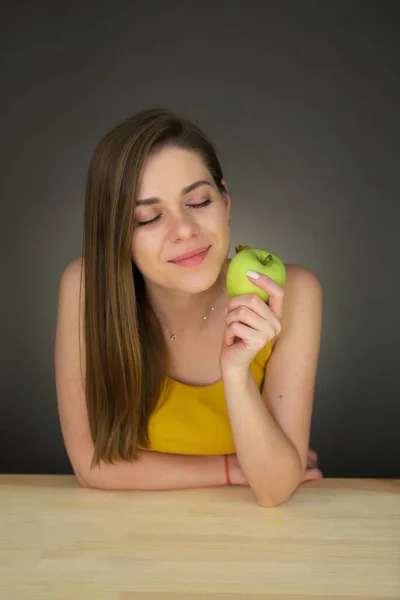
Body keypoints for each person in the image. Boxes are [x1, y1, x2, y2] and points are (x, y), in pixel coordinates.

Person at [55, 107, 323, 507]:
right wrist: (233, 468)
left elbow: (274, 488)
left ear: (226, 200)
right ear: (116, 234)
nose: (184, 230)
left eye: (198, 201)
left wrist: (235, 371)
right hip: (126, 542)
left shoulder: (290, 291)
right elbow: (91, 465)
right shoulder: (85, 287)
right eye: (149, 218)